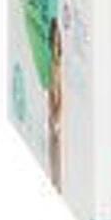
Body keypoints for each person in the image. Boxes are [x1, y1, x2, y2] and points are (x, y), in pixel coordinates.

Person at [48, 18, 63, 193]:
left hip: (58, 118)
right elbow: (53, 95)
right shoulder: (52, 67)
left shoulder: (59, 66)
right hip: (54, 118)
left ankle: (57, 183)